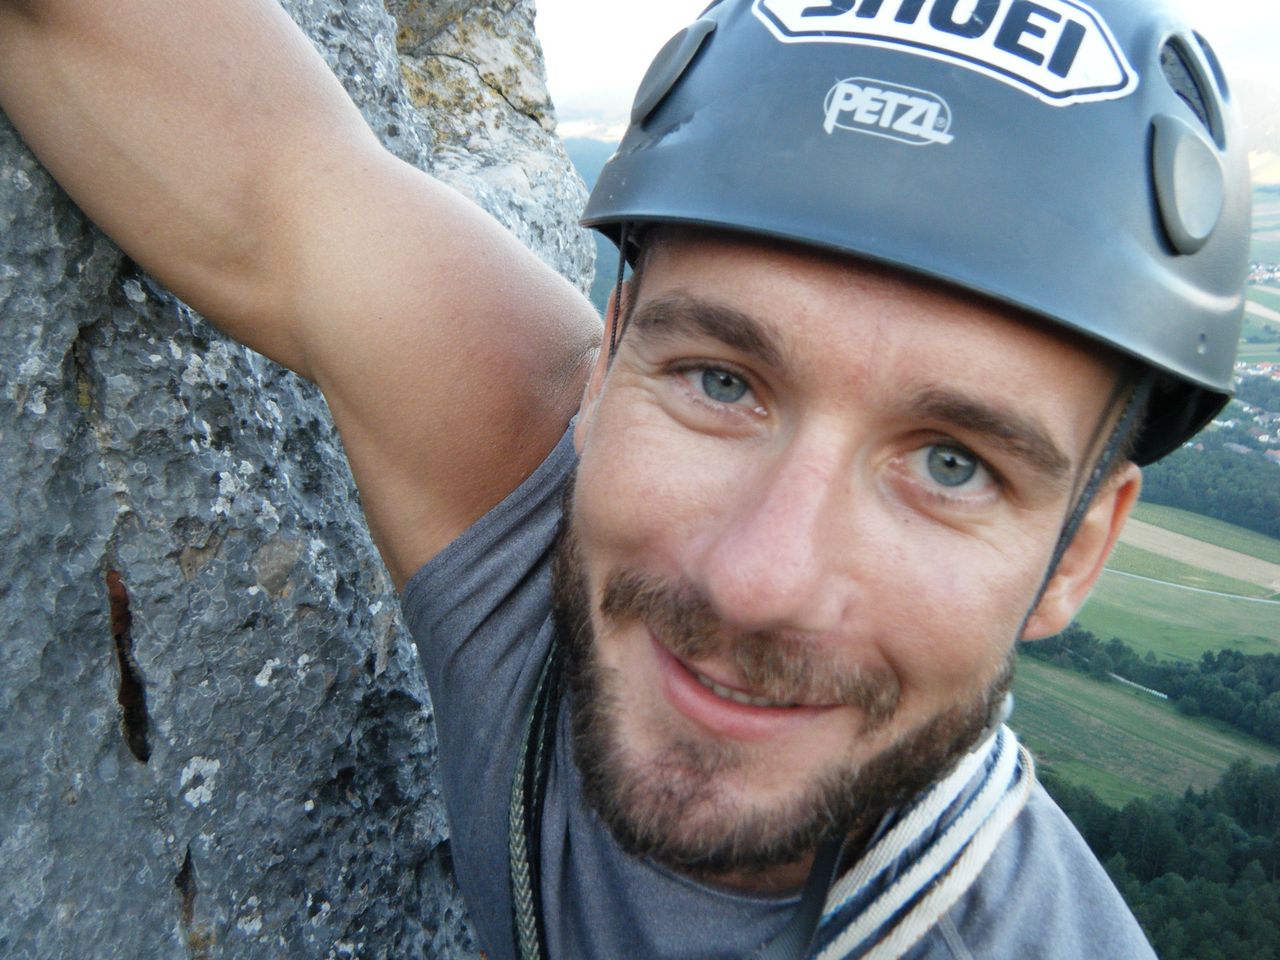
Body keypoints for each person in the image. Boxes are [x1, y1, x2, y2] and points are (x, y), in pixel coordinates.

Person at [0, 0, 1250, 957]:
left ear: (1077, 552)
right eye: (719, 382)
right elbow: (268, 172)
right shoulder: (530, 509)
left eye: (950, 465)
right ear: (604, 365)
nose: (756, 580)